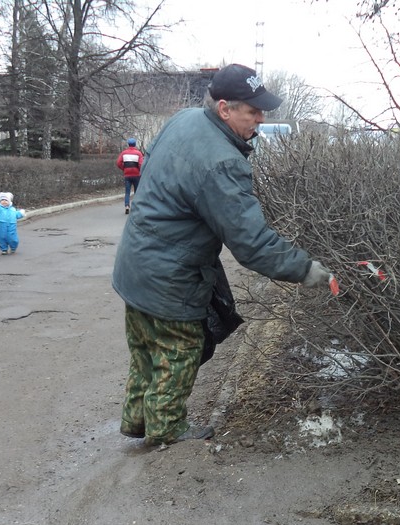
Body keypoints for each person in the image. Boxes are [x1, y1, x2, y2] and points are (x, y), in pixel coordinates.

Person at [111, 63, 331, 447]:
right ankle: (167, 431)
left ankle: (136, 419)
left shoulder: (184, 119)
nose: (260, 120)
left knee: (146, 347)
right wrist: (310, 270)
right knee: (178, 350)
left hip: (135, 262)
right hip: (169, 276)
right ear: (225, 108)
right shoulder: (223, 162)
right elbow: (252, 244)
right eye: (253, 111)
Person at [116, 137, 143, 214]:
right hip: (136, 175)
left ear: (128, 144)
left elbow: (118, 163)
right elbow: (141, 164)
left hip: (127, 175)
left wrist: (124, 168)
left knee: (127, 192)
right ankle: (136, 207)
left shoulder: (124, 153)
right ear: (135, 144)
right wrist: (140, 171)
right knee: (137, 192)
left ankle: (127, 206)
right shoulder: (138, 153)